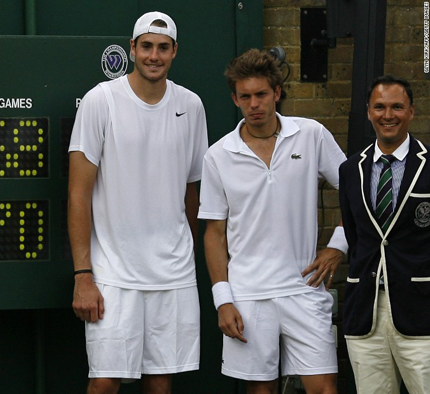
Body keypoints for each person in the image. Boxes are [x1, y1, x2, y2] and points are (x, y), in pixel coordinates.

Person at [67, 11, 208, 394]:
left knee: (160, 385)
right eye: (146, 46)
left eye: (163, 48)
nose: (154, 55)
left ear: (175, 52)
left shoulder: (191, 106)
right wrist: (83, 275)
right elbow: (78, 193)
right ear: (132, 49)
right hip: (112, 274)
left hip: (173, 275)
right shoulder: (101, 100)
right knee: (104, 384)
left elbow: (192, 192)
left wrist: (185, 255)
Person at [198, 49, 346, 394]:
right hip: (247, 294)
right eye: (245, 97)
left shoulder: (311, 135)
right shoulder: (218, 155)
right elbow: (214, 234)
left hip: (304, 288)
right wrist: (224, 300)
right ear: (235, 99)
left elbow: (357, 191)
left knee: (324, 388)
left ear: (277, 93)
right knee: (260, 391)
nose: (255, 104)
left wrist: (337, 246)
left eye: (261, 94)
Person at [338, 75, 430, 394]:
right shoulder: (350, 170)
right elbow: (357, 236)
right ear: (368, 111)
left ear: (411, 112)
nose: (387, 115)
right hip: (366, 312)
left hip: (421, 311)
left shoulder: (429, 164)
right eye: (379, 106)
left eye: (396, 107)